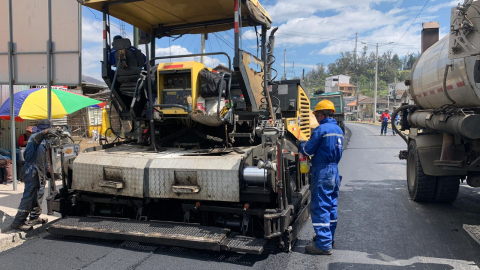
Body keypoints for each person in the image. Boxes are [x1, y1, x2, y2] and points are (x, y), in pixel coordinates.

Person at [299, 99, 343, 255]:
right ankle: (329, 238)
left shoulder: (321, 130)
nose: (316, 118)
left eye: (316, 115)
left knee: (320, 207)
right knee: (331, 206)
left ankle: (323, 245)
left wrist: (301, 144)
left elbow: (307, 150)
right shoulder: (338, 129)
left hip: (323, 171)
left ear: (321, 115)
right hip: (334, 171)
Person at [11, 120, 56, 231]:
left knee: (39, 194)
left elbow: (44, 157)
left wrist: (48, 171)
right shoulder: (35, 137)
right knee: (30, 196)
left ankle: (34, 217)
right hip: (32, 171)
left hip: (40, 171)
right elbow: (29, 155)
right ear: (46, 129)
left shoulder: (45, 140)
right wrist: (45, 132)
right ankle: (18, 221)